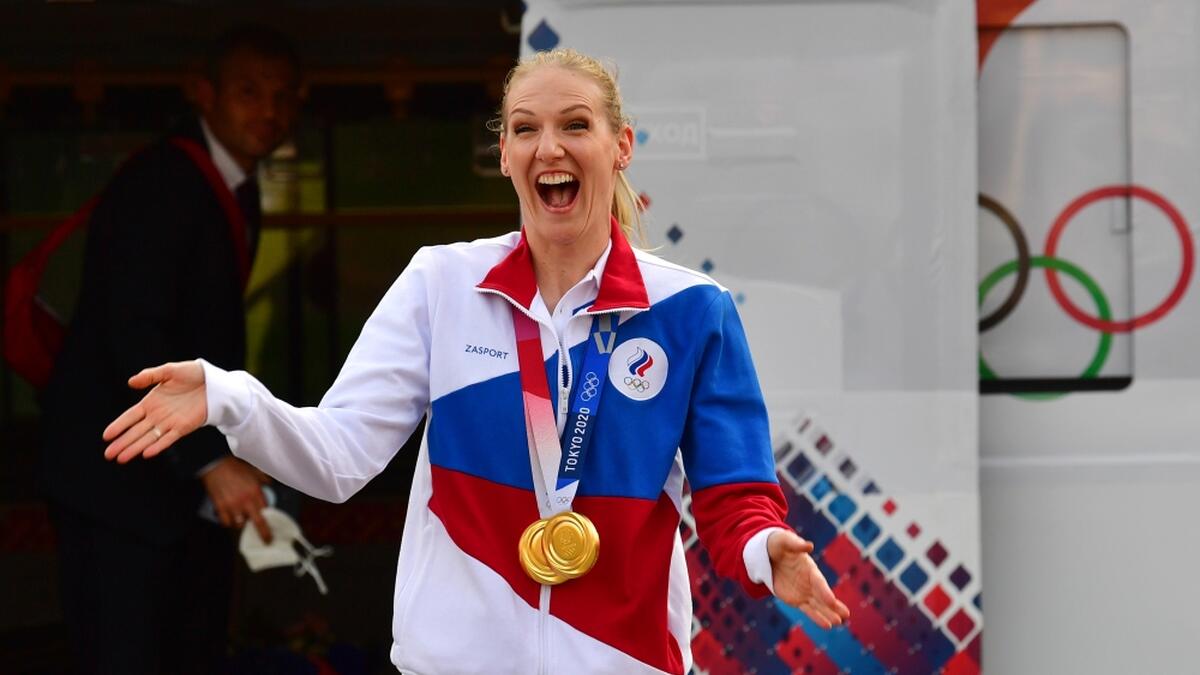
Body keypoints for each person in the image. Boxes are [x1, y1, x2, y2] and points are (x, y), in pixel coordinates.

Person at [101, 48, 849, 674]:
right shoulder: (441, 285)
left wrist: (766, 548)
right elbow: (339, 456)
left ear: (621, 146)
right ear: (505, 155)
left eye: (575, 125)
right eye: (526, 129)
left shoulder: (691, 309)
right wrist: (229, 397)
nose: (549, 147)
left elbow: (733, 492)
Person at [41, 25, 301, 675]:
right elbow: (132, 331)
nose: (268, 111)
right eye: (248, 92)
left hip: (173, 483)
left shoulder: (235, 186)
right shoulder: (161, 182)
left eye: (282, 96)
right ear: (202, 92)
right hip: (118, 483)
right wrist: (209, 460)